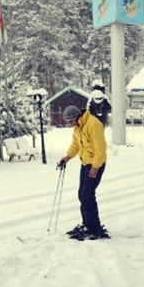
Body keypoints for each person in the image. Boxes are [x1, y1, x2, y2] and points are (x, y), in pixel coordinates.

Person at [58, 101, 109, 240]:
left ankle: (95, 228)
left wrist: (95, 167)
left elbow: (101, 149)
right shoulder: (78, 127)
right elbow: (75, 145)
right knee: (82, 194)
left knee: (87, 195)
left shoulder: (93, 124)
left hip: (95, 165)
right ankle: (87, 224)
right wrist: (67, 157)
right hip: (85, 164)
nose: (69, 124)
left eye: (70, 121)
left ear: (76, 117)